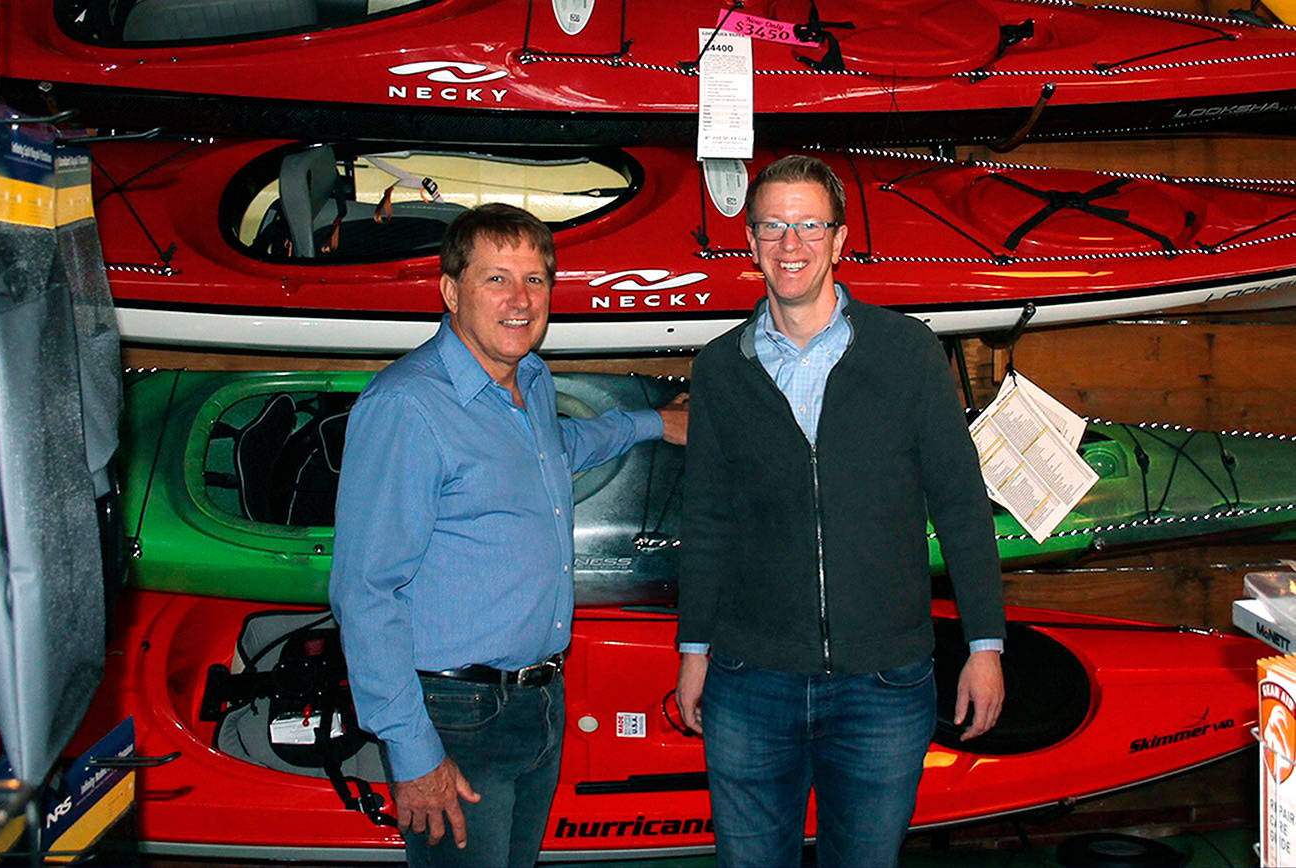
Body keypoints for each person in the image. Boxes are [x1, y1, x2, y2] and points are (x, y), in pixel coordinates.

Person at [330, 202, 687, 868]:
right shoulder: (407, 405)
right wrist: (413, 753)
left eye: (534, 280)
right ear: (450, 291)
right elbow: (366, 592)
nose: (520, 299)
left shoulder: (531, 379)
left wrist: (651, 423)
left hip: (538, 700)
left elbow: (556, 448)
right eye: (496, 278)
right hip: (454, 714)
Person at [674, 155, 1006, 868]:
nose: (790, 244)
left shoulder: (907, 352)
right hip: (749, 679)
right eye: (772, 226)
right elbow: (705, 522)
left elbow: (960, 505)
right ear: (750, 241)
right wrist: (693, 652)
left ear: (840, 238)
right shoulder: (719, 369)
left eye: (809, 226)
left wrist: (985, 647)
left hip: (884, 683)